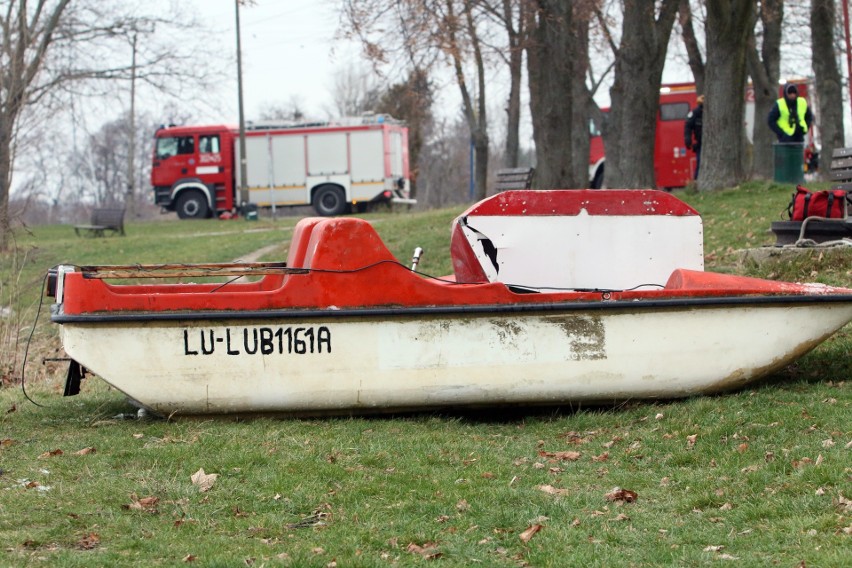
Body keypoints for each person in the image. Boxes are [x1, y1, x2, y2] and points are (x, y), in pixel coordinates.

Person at [684, 94, 704, 179]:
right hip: (700, 144)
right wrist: (688, 140)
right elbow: (688, 126)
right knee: (700, 162)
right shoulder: (695, 113)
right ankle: (697, 180)